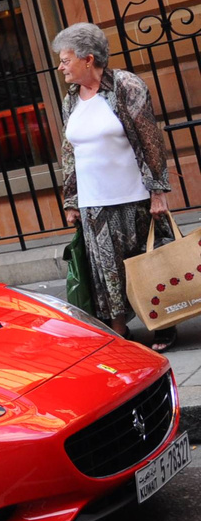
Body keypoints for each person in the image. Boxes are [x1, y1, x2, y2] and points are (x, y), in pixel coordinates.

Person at [56, 22, 176, 348]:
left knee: (144, 264)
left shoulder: (125, 86)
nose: (61, 67)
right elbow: (70, 152)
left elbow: (150, 139)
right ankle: (119, 330)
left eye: (66, 60)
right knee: (107, 271)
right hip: (94, 201)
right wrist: (71, 200)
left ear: (88, 59)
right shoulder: (71, 98)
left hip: (133, 195)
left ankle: (162, 325)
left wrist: (157, 191)